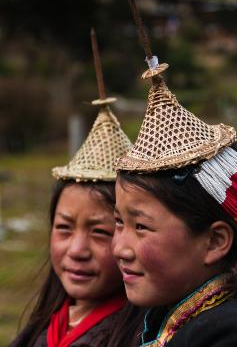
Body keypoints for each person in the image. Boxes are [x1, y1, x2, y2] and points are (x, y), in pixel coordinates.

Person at [113, 55, 237, 346]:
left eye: (140, 226)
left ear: (215, 241)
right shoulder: (163, 321)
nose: (119, 248)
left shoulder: (233, 332)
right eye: (118, 222)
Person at [11, 53, 144, 346]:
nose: (77, 250)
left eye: (100, 232)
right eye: (64, 228)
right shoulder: (44, 326)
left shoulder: (137, 335)